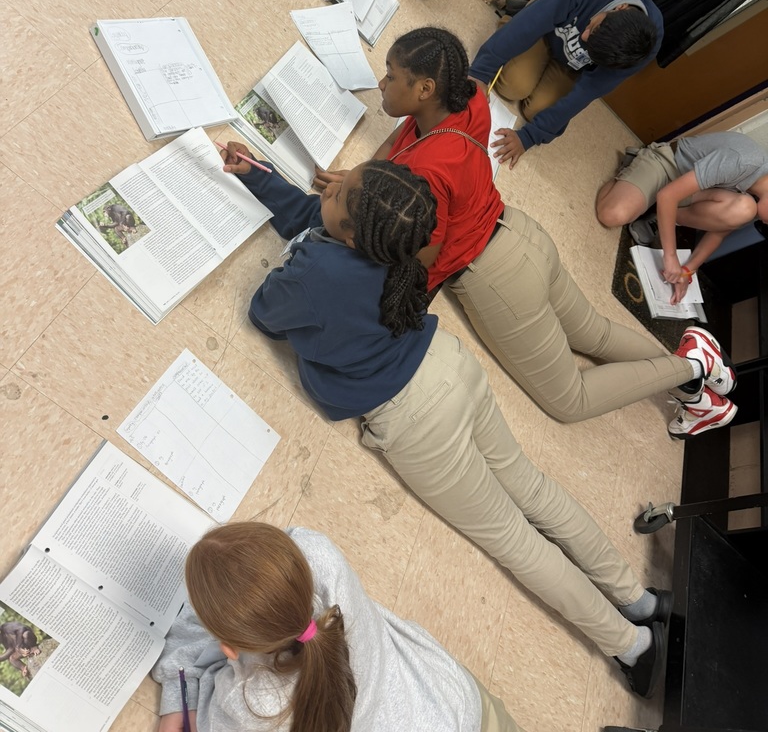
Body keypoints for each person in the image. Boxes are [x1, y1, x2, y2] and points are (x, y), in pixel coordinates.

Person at [220, 147, 670, 695]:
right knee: (533, 488)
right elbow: (323, 222)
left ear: (356, 234)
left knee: (512, 538)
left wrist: (299, 252)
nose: (325, 188)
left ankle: (632, 646)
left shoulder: (318, 272)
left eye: (335, 190)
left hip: (415, 419)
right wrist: (261, 179)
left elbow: (264, 312)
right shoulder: (398, 240)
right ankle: (640, 600)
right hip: (450, 366)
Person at [314, 28, 736, 438]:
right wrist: (364, 183)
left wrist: (355, 224)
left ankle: (693, 365)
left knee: (571, 400)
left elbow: (422, 258)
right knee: (592, 333)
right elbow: (400, 138)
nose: (382, 83)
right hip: (521, 232)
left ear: (425, 89)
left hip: (496, 279)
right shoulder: (466, 95)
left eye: (391, 75)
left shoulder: (428, 173)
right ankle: (696, 383)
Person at [153, 521, 523, 732]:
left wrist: (177, 694)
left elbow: (187, 704)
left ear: (229, 648)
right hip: (455, 699)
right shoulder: (318, 553)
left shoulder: (249, 703)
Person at [468, 0, 663, 168]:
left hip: (572, 63)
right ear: (619, 8)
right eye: (593, 28)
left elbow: (588, 90)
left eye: (590, 39)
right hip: (547, 29)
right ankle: (525, 9)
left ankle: (549, 65)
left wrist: (527, 138)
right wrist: (480, 73)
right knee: (512, 86)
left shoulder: (641, 50)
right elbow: (531, 23)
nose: (584, 35)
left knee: (538, 112)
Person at [597, 131, 768, 301]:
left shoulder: (759, 201)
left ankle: (657, 213)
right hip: (668, 165)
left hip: (690, 192)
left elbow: (719, 231)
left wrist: (687, 271)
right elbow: (668, 196)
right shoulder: (743, 161)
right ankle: (632, 167)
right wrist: (670, 256)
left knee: (744, 209)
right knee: (612, 215)